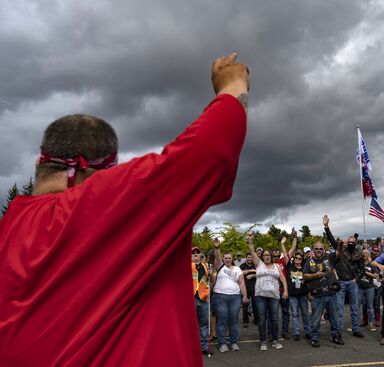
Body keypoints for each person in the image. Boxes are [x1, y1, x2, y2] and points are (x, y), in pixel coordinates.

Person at [0, 53, 248, 367]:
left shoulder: (9, 228)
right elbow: (210, 150)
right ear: (100, 172)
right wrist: (232, 85)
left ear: (40, 164)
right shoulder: (103, 203)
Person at [323, 215, 364, 338]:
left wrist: (355, 279)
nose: (351, 244)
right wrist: (326, 227)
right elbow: (332, 240)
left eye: (353, 242)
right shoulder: (341, 250)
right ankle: (339, 330)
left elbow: (362, 269)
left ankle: (356, 329)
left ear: (356, 243)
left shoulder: (359, 253)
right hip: (340, 282)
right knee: (339, 309)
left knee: (355, 308)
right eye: (349, 242)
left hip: (352, 283)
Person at [247, 232, 288, 351]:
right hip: (260, 296)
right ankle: (263, 341)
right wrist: (250, 241)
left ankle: (275, 340)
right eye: (265, 255)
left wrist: (285, 291)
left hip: (274, 296)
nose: (267, 256)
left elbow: (283, 278)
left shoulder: (276, 266)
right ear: (262, 257)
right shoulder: (259, 264)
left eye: (269, 255)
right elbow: (252, 251)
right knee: (262, 319)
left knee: (274, 319)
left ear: (271, 256)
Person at [303, 241, 343, 347]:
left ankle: (336, 336)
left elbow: (339, 252)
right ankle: (314, 338)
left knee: (334, 317)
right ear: (313, 250)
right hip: (318, 295)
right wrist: (315, 275)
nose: (319, 250)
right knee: (315, 318)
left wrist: (341, 244)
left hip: (331, 293)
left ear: (324, 249)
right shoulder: (309, 262)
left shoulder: (329, 258)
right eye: (316, 248)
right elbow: (305, 276)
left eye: (321, 249)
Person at [212, 239, 249, 353]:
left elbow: (242, 283)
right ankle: (222, 343)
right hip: (220, 297)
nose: (227, 259)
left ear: (232, 259)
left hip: (235, 297)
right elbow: (217, 258)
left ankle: (233, 342)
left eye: (229, 258)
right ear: (223, 258)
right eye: (226, 258)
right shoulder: (220, 267)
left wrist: (244, 296)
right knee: (222, 320)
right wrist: (217, 248)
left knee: (233, 320)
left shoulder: (238, 269)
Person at [192, 246, 214, 356]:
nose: (195, 254)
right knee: (191, 324)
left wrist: (211, 273)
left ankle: (204, 347)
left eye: (197, 252)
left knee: (204, 324)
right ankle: (191, 347)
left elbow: (211, 280)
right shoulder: (188, 265)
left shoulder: (206, 266)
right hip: (191, 299)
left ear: (201, 255)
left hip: (203, 298)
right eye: (193, 253)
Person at [286, 250, 311, 340]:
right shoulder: (290, 266)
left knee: (305, 314)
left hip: (303, 295)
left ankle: (307, 332)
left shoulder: (305, 268)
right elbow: (287, 255)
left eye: (299, 258)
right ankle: (296, 332)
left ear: (301, 260)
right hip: (293, 296)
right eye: (296, 258)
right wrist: (282, 244)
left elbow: (308, 281)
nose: (297, 259)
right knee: (295, 314)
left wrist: (309, 293)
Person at [356, 247, 380, 332]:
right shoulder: (358, 264)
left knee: (370, 307)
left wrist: (365, 272)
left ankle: (371, 324)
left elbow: (376, 276)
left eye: (366, 253)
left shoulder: (371, 265)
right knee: (357, 306)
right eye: (363, 254)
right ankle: (355, 325)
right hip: (359, 288)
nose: (364, 255)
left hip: (369, 288)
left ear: (368, 254)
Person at [240, 253, 258, 327]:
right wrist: (252, 270)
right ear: (246, 258)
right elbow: (240, 273)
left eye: (251, 257)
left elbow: (260, 273)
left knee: (255, 305)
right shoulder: (242, 266)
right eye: (248, 257)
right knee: (245, 305)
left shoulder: (256, 265)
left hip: (254, 288)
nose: (250, 258)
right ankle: (245, 321)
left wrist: (252, 275)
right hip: (245, 288)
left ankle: (256, 320)